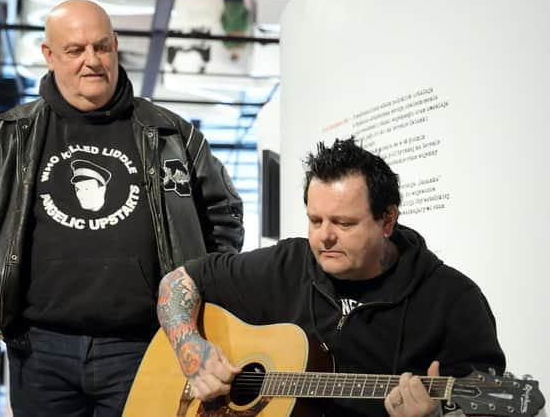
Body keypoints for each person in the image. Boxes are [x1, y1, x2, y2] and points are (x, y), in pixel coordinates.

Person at [0, 0, 243, 417]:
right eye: (75, 50)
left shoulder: (171, 134)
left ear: (116, 45)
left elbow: (225, 215)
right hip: (40, 352)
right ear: (49, 56)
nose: (92, 60)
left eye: (102, 47)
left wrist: (199, 298)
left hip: (146, 346)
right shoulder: (3, 137)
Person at [157, 137, 505, 416]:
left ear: (387, 220)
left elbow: (488, 408)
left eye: (344, 223)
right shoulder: (288, 262)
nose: (324, 237)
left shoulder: (453, 300)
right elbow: (178, 281)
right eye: (315, 220)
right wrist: (191, 348)